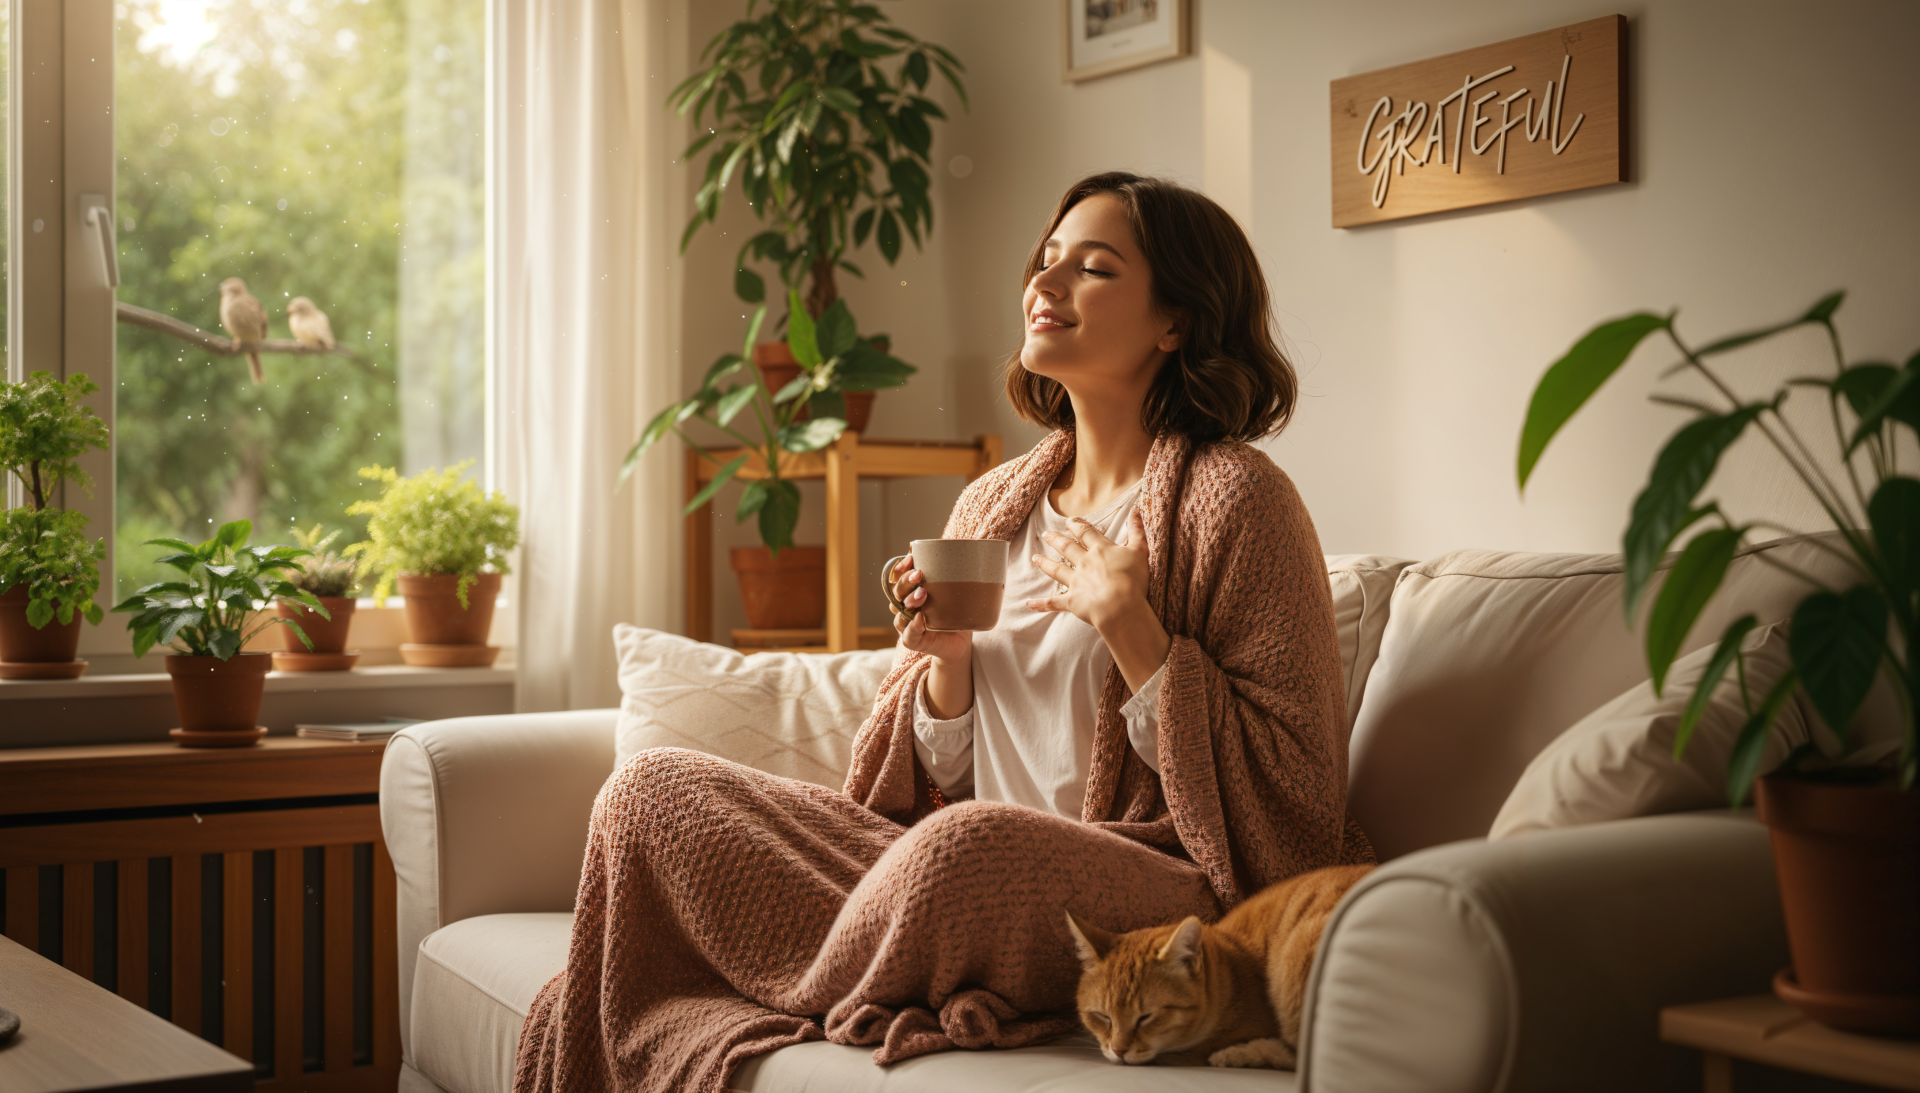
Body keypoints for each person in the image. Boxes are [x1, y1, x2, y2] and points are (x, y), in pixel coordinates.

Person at [514, 172, 1372, 1093]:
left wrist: (1137, 631)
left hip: (1145, 892)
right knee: (650, 791)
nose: (1045, 286)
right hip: (947, 862)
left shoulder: (1238, 500)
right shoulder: (993, 502)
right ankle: (818, 964)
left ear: (1177, 322)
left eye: (1093, 269)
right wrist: (944, 669)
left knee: (967, 849)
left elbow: (1297, 804)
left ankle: (753, 976)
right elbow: (922, 793)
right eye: (1045, 262)